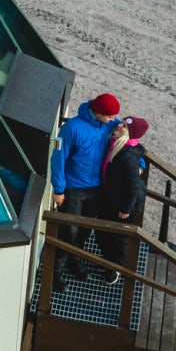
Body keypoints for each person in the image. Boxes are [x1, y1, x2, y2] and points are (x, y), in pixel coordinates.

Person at [52, 92, 121, 280]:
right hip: (74, 188)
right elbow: (59, 157)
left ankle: (75, 262)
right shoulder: (72, 128)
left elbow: (129, 141)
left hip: (97, 188)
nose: (114, 120)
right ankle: (55, 272)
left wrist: (139, 164)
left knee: (84, 230)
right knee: (68, 230)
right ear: (97, 112)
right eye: (110, 116)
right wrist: (58, 189)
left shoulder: (111, 124)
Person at [96, 117, 150, 273]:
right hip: (114, 197)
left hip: (126, 203)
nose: (119, 125)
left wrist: (126, 209)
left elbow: (133, 187)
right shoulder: (118, 144)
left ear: (130, 134)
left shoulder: (127, 156)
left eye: (125, 126)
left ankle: (115, 268)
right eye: (122, 123)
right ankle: (108, 260)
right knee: (103, 230)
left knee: (119, 236)